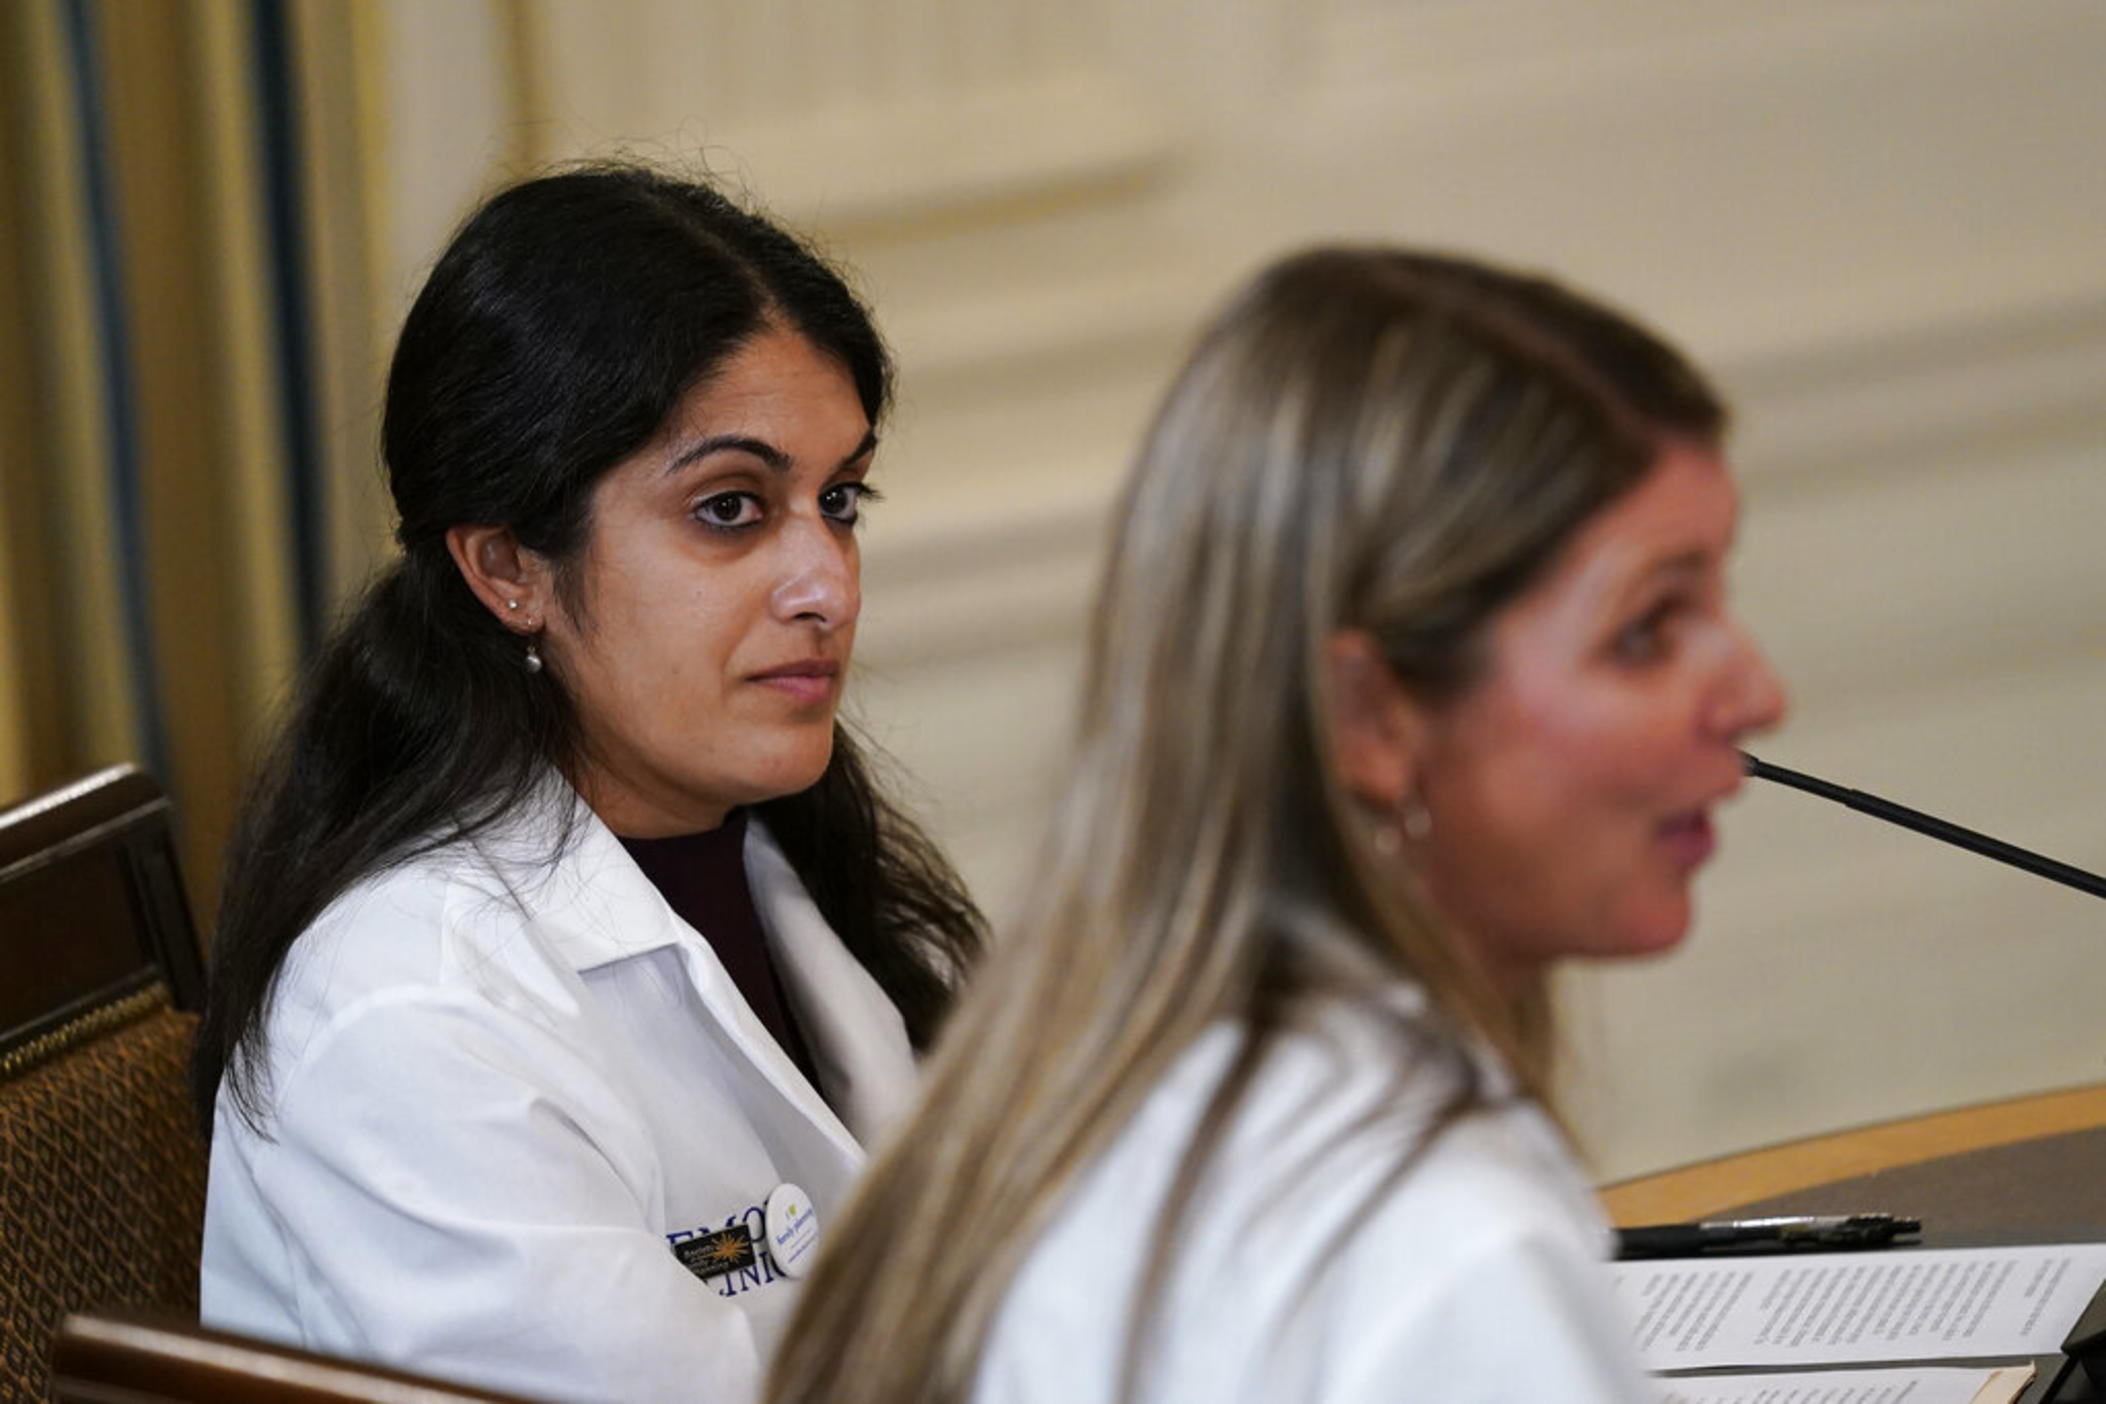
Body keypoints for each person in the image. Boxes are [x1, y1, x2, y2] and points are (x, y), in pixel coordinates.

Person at [766, 247, 1789, 1404]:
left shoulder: (1094, 1087)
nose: (1757, 694)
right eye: (1649, 629)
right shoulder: (1434, 1250)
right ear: (1368, 714)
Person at [192, 164, 984, 1402]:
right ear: (509, 564)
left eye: (838, 500)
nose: (827, 581)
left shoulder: (778, 854)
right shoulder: (409, 1010)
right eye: (731, 508)